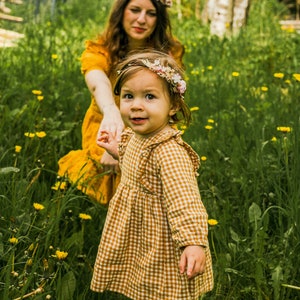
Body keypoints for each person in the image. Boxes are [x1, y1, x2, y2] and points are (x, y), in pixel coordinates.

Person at [91, 50, 214, 299]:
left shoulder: (169, 152)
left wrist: (192, 242)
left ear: (173, 106)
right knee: (140, 282)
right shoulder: (137, 137)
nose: (136, 105)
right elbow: (137, 168)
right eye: (128, 96)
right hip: (139, 234)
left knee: (162, 289)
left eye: (149, 96)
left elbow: (185, 201)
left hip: (163, 243)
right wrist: (117, 151)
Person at [57, 0, 184, 204]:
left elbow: (167, 100)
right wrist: (111, 112)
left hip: (151, 126)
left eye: (150, 13)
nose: (141, 19)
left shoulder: (168, 52)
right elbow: (98, 83)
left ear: (158, 18)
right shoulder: (100, 50)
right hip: (106, 124)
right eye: (135, 10)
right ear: (121, 12)